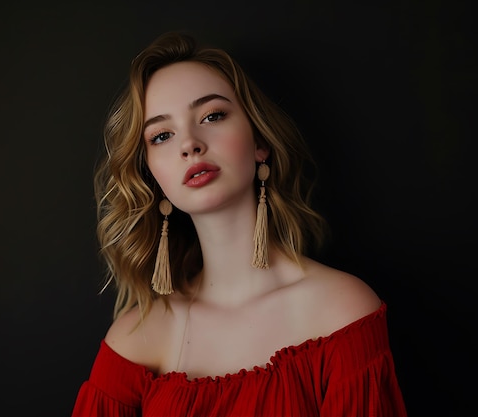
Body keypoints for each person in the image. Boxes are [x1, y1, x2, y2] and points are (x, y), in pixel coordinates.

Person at [71, 31, 407, 417]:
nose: (190, 144)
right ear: (152, 176)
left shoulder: (340, 311)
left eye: (212, 116)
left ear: (259, 141)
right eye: (162, 135)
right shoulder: (135, 340)